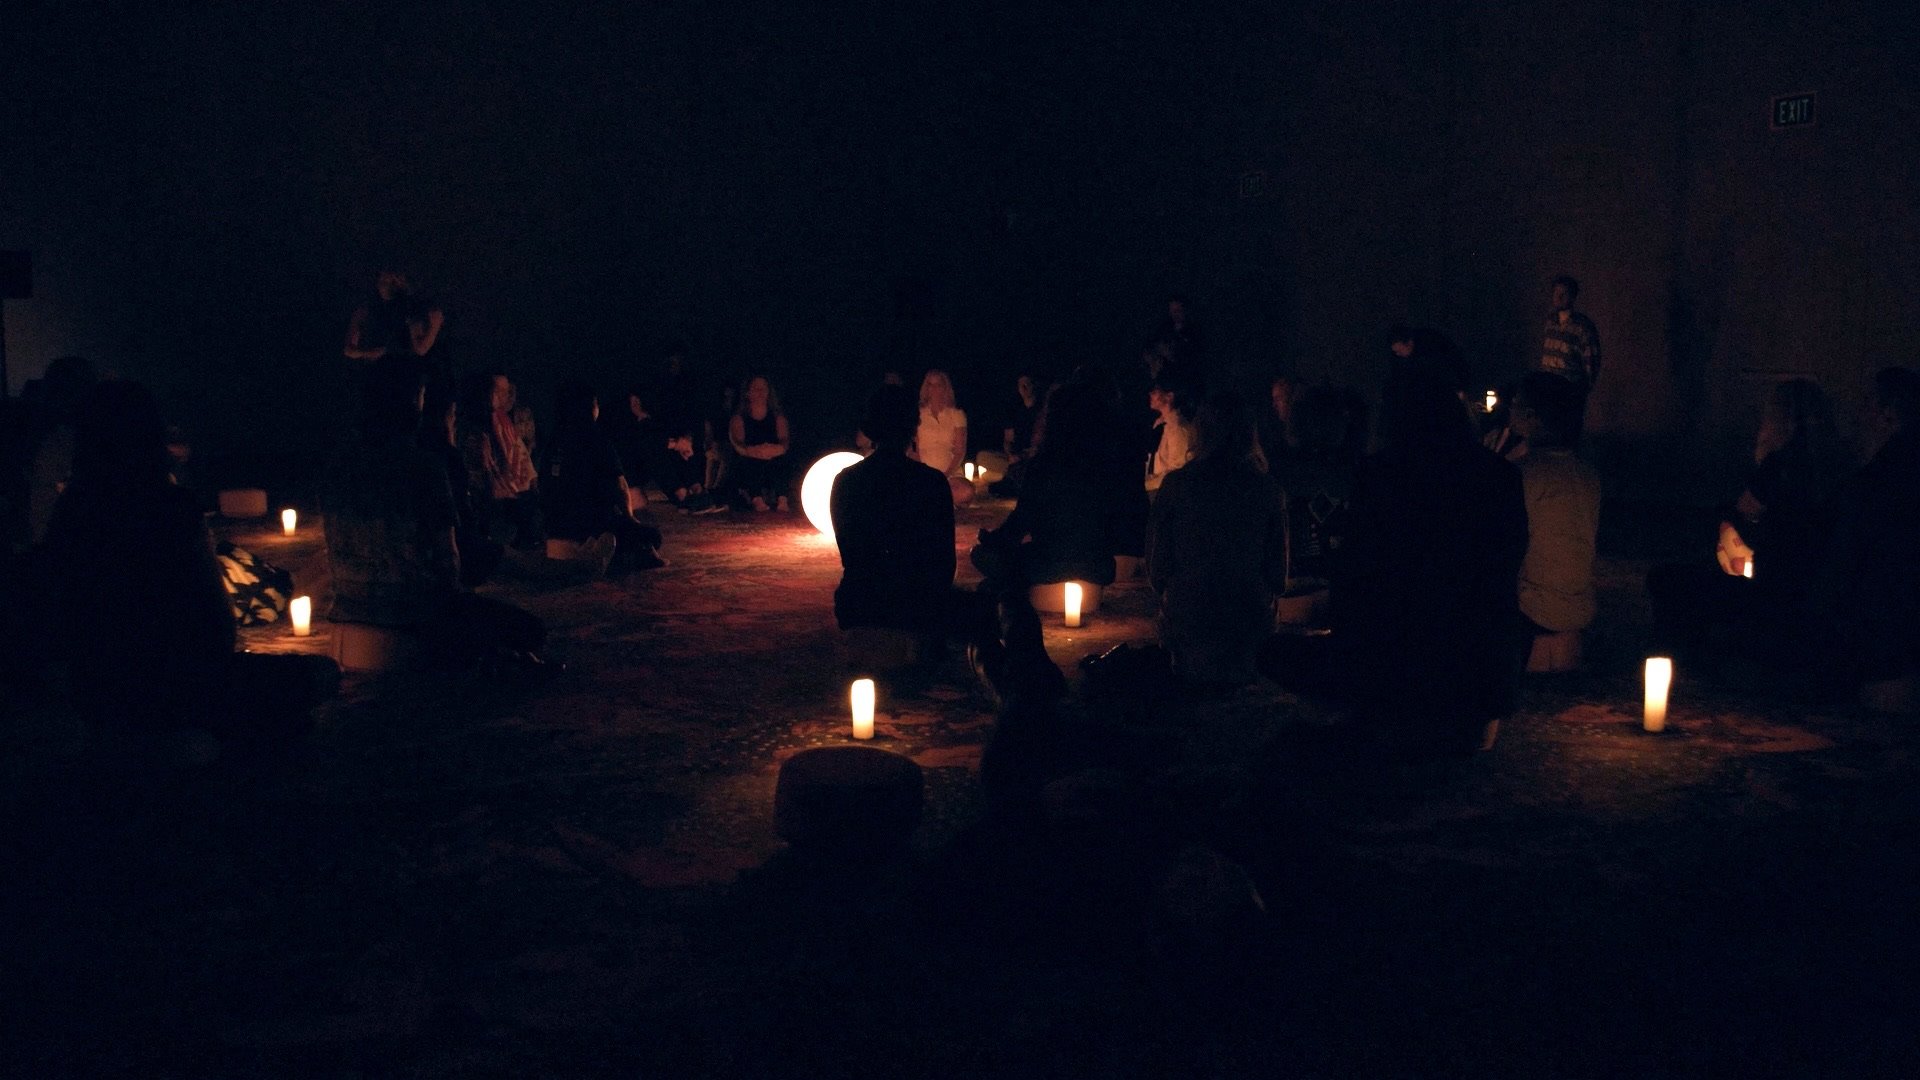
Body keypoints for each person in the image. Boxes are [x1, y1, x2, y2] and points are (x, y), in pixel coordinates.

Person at [46, 381, 338, 739]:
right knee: (321, 675)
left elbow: (56, 617)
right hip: (182, 688)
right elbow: (217, 630)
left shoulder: (71, 510)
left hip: (96, 696)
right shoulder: (170, 507)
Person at [1329, 368, 1528, 754]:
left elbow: (1357, 565)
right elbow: (1510, 559)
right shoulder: (1500, 477)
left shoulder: (1378, 476)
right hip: (1480, 663)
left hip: (1397, 655)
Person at [324, 366, 557, 674]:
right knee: (530, 631)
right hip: (415, 612)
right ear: (409, 406)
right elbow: (448, 562)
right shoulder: (422, 468)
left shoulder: (336, 469)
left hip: (348, 609)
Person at [836, 383, 1060, 700]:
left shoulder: (845, 481)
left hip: (858, 604)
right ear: (913, 427)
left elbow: (852, 553)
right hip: (917, 606)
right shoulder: (929, 483)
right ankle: (1021, 685)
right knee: (1002, 603)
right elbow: (943, 566)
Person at [1648, 379, 1852, 673]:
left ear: (1780, 419)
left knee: (1667, 579)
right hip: (1816, 584)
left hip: (1773, 586)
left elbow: (1738, 518)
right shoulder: (1836, 469)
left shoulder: (1782, 465)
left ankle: (1684, 665)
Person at [1148, 392, 1287, 686]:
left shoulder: (1176, 486)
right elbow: (1277, 574)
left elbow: (1158, 566)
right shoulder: (1266, 489)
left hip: (1189, 613)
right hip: (1248, 616)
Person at [1812, 368, 1920, 696]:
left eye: (1870, 404)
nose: (1862, 414)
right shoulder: (1889, 467)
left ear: (1889, 412)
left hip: (1883, 608)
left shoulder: (1884, 474)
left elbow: (1851, 548)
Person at [972, 379, 1123, 592]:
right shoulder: (1107, 463)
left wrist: (992, 540)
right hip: (1098, 566)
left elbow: (1020, 522)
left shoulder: (1044, 465)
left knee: (981, 556)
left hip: (1050, 563)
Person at [1509, 373, 1602, 648]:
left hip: (1532, 608)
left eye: (1515, 403)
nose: (1509, 410)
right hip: (1580, 605)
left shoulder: (1523, 474)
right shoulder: (1587, 474)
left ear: (1532, 416)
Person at [541, 383, 665, 573]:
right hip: (587, 530)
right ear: (590, 408)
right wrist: (630, 519)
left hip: (553, 532)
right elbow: (620, 486)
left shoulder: (552, 442)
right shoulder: (595, 439)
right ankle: (609, 557)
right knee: (651, 534)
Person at [344, 269, 452, 415]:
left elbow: (420, 349)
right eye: (384, 279)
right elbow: (349, 350)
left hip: (401, 381)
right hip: (375, 381)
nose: (388, 283)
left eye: (393, 281)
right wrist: (370, 353)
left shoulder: (409, 312)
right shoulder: (366, 311)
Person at [461, 373, 543, 549]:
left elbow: (518, 455)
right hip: (491, 497)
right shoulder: (480, 427)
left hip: (508, 493)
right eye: (502, 391)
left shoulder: (503, 421)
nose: (508, 395)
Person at [728, 375, 792, 512]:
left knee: (782, 461)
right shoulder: (739, 418)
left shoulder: (777, 417)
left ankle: (782, 499)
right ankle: (756, 498)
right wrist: (756, 451)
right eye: (756, 389)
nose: (760, 392)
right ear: (747, 392)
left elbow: (784, 441)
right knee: (747, 462)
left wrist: (773, 449)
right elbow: (738, 444)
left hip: (772, 457)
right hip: (750, 458)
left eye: (763, 389)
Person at [915, 369, 972, 504]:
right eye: (930, 385)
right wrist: (922, 472)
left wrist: (945, 475)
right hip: (923, 471)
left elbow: (959, 451)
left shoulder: (956, 414)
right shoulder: (917, 414)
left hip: (949, 473)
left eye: (938, 385)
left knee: (966, 491)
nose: (934, 389)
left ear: (945, 387)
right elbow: (913, 449)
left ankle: (937, 499)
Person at [981, 372, 1043, 497]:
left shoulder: (1041, 410)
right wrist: (1010, 455)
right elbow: (1008, 439)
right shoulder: (1014, 410)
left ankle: (1013, 478)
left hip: (1031, 457)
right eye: (1021, 385)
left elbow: (1040, 445)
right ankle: (1015, 476)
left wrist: (1021, 456)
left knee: (1034, 465)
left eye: (1027, 384)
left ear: (1033, 386)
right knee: (982, 457)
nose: (1024, 388)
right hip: (1014, 459)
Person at [1539, 275, 1601, 397]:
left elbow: (1592, 362)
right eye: (1556, 292)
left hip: (1568, 393)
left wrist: (1580, 393)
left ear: (1572, 297)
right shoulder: (1550, 323)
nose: (1559, 297)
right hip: (1547, 391)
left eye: (1564, 293)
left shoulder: (1582, 327)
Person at [1143, 373, 1197, 494]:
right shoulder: (1160, 423)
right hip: (1155, 487)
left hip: (1164, 491)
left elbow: (1178, 468)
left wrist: (1148, 484)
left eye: (1155, 391)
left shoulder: (1177, 428)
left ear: (1169, 396)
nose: (1150, 394)